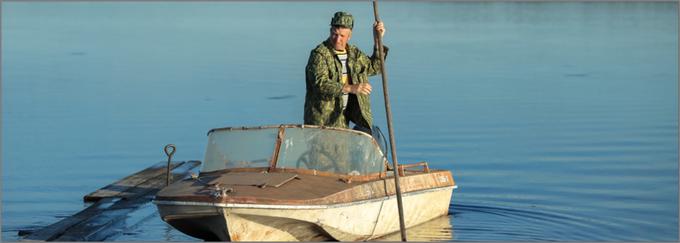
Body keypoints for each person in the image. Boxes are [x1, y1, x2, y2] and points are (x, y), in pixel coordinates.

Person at [304, 11, 387, 134]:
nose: (337, 39)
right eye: (334, 34)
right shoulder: (319, 54)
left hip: (342, 120)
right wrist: (350, 88)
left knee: (342, 153)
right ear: (330, 31)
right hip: (321, 124)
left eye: (342, 36)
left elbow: (375, 68)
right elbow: (320, 84)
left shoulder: (354, 54)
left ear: (350, 35)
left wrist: (377, 42)